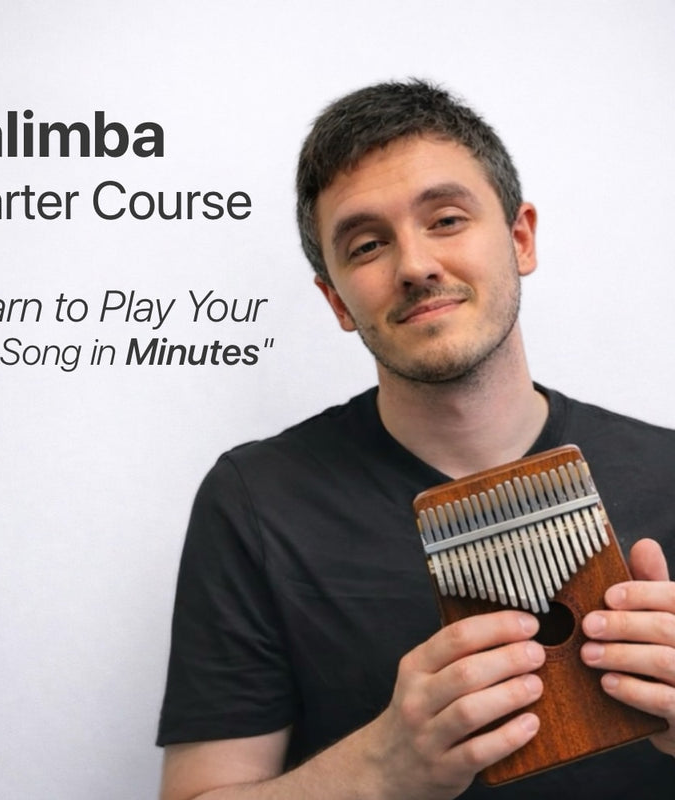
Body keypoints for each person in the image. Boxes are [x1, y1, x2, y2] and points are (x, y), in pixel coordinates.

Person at [156, 80, 675, 799]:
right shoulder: (255, 502)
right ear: (337, 300)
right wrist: (380, 768)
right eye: (367, 244)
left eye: (447, 219)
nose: (414, 266)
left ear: (520, 238)